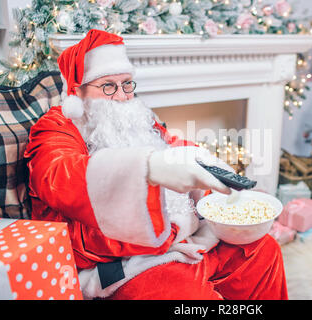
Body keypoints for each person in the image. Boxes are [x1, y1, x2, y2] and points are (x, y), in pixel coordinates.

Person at [24, 29, 288, 300]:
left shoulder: (131, 118)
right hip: (125, 257)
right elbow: (59, 174)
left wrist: (212, 170)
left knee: (262, 250)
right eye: (107, 86)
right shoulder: (57, 128)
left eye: (127, 83)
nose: (121, 96)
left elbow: (171, 144)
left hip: (183, 233)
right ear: (78, 92)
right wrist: (150, 167)